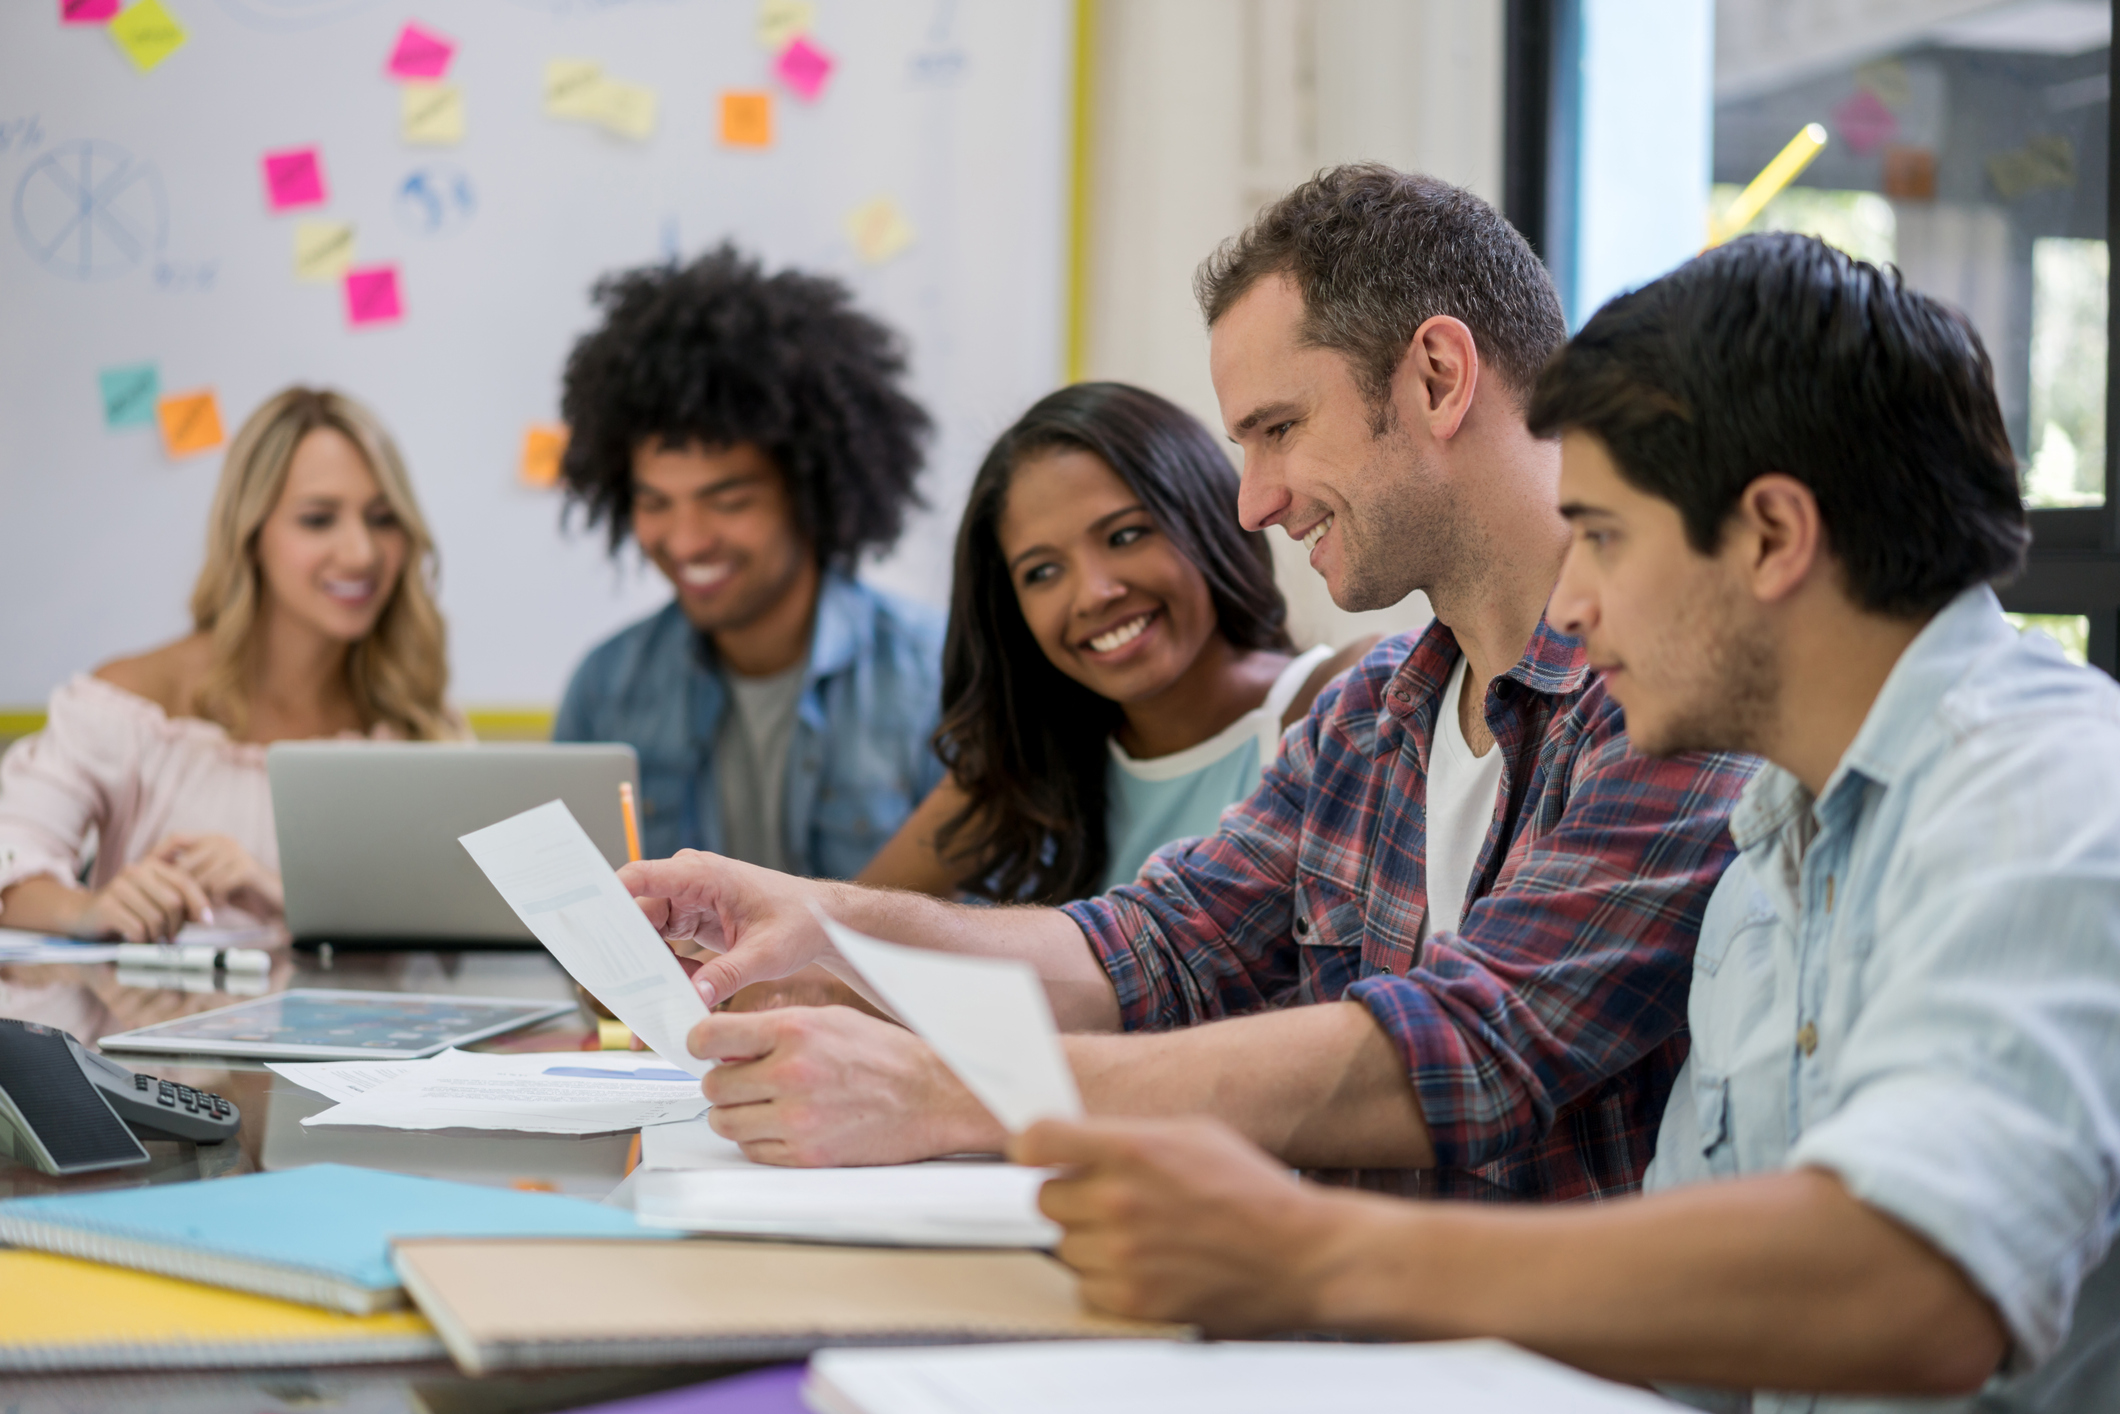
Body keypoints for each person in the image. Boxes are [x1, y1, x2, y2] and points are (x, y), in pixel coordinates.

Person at [1012, 234, 2120, 1411]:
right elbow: (1688, 1327)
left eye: (1599, 535)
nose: (1572, 600)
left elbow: (1914, 1288)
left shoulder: (2047, 796)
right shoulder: (1769, 851)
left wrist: (1310, 1256)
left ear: (1772, 536)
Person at [617, 166, 1754, 1191]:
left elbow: (1474, 1048)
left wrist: (949, 1092)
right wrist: (824, 918)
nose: (1253, 500)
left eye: (1277, 428)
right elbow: (1151, 949)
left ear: (1439, 375)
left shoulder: (1667, 694)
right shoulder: (1373, 719)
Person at [858, 380, 1365, 904]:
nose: (1093, 595)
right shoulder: (1028, 764)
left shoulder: (1340, 701)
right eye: (1043, 572)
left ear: (1206, 520)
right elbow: (828, 943)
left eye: (1125, 536)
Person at [0, 387, 461, 942]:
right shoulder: (132, 705)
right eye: (318, 520)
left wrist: (282, 893)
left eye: (384, 519)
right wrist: (91, 909)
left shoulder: (415, 722)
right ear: (250, 535)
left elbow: (463, 926)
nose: (362, 552)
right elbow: (13, 854)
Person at [551, 245, 944, 878]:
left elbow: (987, 938)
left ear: (811, 491)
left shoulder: (938, 681)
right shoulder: (606, 690)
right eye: (655, 502)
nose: (686, 541)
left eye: (727, 501)